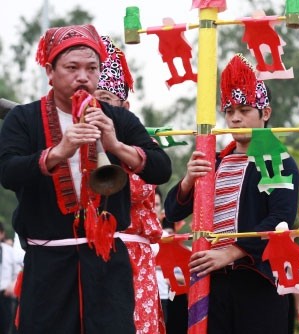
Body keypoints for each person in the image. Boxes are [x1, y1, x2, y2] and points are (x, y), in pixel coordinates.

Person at [0, 24, 172, 334]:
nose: (83, 76)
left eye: (92, 68)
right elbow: (7, 171)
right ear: (50, 71)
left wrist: (116, 145)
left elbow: (161, 168)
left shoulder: (117, 118)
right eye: (72, 67)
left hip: (107, 265)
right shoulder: (23, 119)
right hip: (47, 264)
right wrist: (58, 151)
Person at [164, 53, 299, 334]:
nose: (235, 118)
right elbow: (173, 213)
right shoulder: (214, 161)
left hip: (259, 281)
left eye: (245, 109)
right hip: (213, 282)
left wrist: (231, 252)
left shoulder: (277, 159)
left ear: (266, 113)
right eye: (229, 111)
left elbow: (280, 219)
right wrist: (189, 179)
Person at [93, 35, 166, 334]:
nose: (98, 107)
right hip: (88, 254)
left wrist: (112, 147)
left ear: (124, 105)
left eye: (107, 101)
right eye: (94, 98)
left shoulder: (141, 143)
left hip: (132, 258)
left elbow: (138, 188)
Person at [155, 188, 189, 334]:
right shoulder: (131, 235)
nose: (152, 207)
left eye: (156, 204)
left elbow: (181, 274)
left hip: (167, 295)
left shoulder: (170, 239)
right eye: (149, 203)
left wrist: (176, 281)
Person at [0, 222, 20, 334]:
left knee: (6, 327)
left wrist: (12, 285)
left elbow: (17, 271)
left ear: (2, 234)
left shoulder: (10, 251)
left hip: (5, 296)